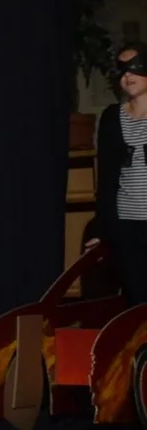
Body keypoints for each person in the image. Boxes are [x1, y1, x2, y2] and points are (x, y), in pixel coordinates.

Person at [90, 40, 147, 305]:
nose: (128, 75)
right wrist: (101, 227)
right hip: (127, 226)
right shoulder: (113, 118)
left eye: (135, 67)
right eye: (122, 69)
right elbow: (107, 178)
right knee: (137, 300)